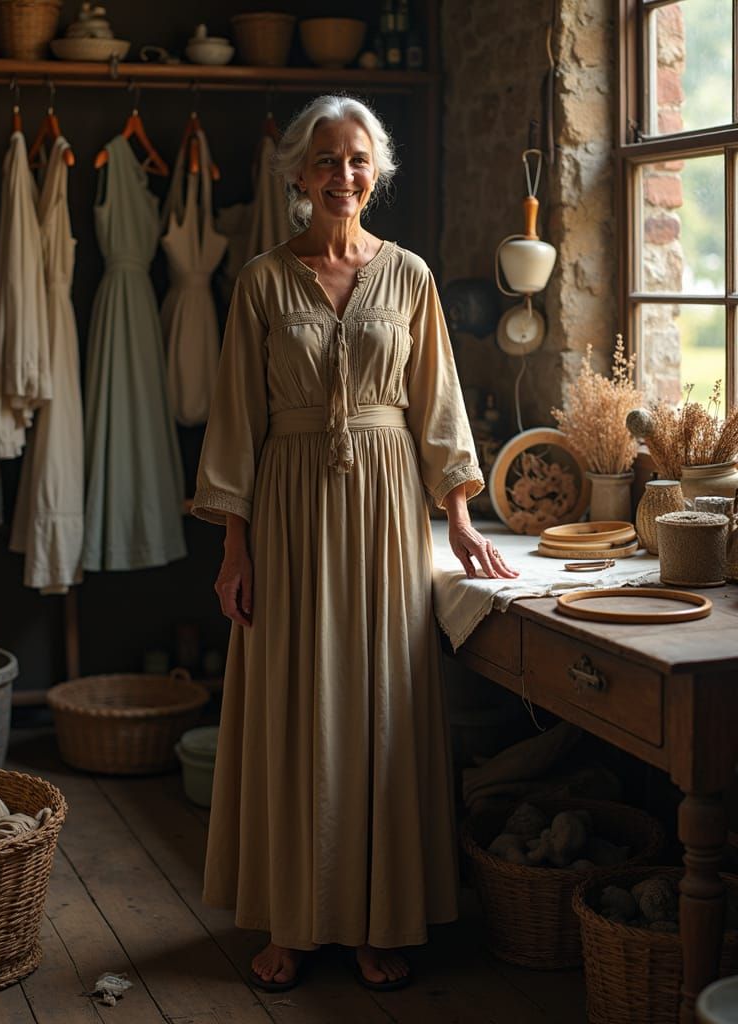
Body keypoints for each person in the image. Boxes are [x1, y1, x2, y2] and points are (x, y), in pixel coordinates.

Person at [191, 94, 519, 994]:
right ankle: (295, 920)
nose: (344, 176)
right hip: (290, 509)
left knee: (383, 708)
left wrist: (456, 519)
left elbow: (437, 404)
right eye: (328, 161)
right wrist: (235, 548)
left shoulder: (409, 276)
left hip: (384, 511)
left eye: (359, 160)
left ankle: (381, 920)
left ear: (379, 173)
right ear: (298, 175)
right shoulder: (262, 281)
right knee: (295, 708)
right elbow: (234, 424)